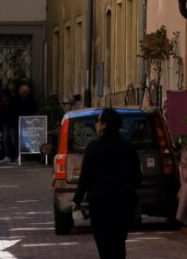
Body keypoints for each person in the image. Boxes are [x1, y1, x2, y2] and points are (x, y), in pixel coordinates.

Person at [72, 108, 142, 259]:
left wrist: (77, 200)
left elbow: (85, 178)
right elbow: (137, 178)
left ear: (104, 125)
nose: (95, 124)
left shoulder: (94, 147)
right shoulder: (128, 147)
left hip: (100, 203)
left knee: (104, 244)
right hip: (123, 202)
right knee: (118, 242)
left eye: (97, 121)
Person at [0, 88, 19, 163]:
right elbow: (1, 114)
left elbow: (14, 114)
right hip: (6, 124)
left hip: (12, 124)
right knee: (6, 140)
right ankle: (7, 156)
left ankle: (18, 154)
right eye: (2, 97)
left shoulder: (12, 103)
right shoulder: (2, 105)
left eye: (5, 97)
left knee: (14, 140)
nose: (4, 99)